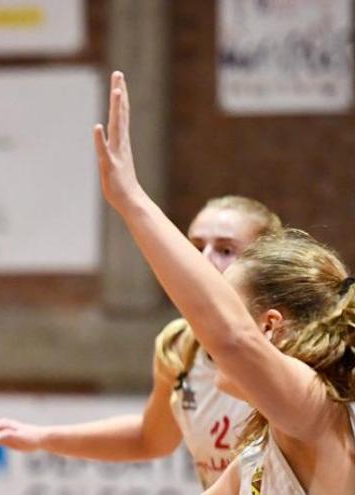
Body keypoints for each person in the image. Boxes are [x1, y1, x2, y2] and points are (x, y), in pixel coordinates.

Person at [94, 72, 354, 493]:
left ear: (269, 327)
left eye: (224, 302)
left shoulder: (316, 409)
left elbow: (232, 338)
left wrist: (131, 200)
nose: (206, 320)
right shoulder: (260, 450)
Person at [0, 193, 280, 489]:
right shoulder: (180, 344)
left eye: (225, 250)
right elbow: (149, 439)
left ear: (265, 266)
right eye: (195, 248)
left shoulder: (289, 346)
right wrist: (42, 437)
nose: (204, 260)